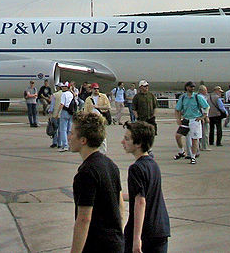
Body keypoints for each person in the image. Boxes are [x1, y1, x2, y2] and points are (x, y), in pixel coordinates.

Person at [68, 111, 124, 252]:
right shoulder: (111, 165)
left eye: (72, 133)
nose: (69, 137)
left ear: (83, 140)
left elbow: (84, 219)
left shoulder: (86, 173)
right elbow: (120, 206)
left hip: (97, 246)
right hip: (115, 243)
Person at [121, 121, 170, 253]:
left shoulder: (136, 168)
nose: (122, 142)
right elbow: (144, 194)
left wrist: (136, 238)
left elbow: (140, 201)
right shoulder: (153, 165)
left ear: (138, 144)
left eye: (127, 139)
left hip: (146, 231)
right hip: (160, 228)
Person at [173, 81, 208, 165]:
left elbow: (206, 107)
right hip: (186, 119)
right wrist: (178, 119)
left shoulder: (197, 97)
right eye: (190, 87)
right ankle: (181, 151)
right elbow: (177, 109)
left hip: (194, 120)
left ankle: (193, 157)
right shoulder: (183, 97)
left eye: (193, 87)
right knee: (178, 136)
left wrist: (203, 116)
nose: (192, 88)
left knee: (194, 139)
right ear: (187, 87)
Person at [57, 81, 76, 152]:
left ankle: (65, 145)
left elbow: (62, 104)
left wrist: (57, 113)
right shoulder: (71, 94)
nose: (62, 88)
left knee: (63, 129)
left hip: (65, 111)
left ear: (66, 87)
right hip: (71, 112)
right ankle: (70, 144)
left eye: (63, 86)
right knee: (69, 130)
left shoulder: (64, 94)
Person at [197, 85, 211, 151]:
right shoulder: (201, 98)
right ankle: (205, 146)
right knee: (205, 132)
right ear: (201, 91)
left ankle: (198, 146)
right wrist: (205, 117)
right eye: (205, 90)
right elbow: (204, 108)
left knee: (199, 133)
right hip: (202, 116)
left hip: (199, 116)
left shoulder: (197, 97)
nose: (206, 91)